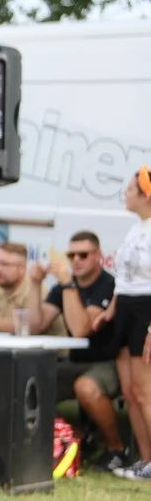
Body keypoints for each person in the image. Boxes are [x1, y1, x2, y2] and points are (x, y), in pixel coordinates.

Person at [25, 231, 126, 470]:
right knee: (31, 381)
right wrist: (35, 283)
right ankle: (75, 438)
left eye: (83, 254)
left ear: (99, 256)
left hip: (110, 361)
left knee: (86, 386)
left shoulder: (107, 284)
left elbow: (82, 329)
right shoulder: (64, 289)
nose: (76, 260)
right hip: (76, 361)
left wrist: (69, 284)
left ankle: (117, 449)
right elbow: (33, 326)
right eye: (71, 255)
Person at [94, 167, 151, 481]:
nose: (125, 195)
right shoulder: (135, 228)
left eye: (130, 189)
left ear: (145, 194)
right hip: (127, 308)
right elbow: (124, 280)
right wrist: (111, 310)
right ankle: (144, 460)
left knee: (145, 392)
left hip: (146, 311)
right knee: (129, 392)